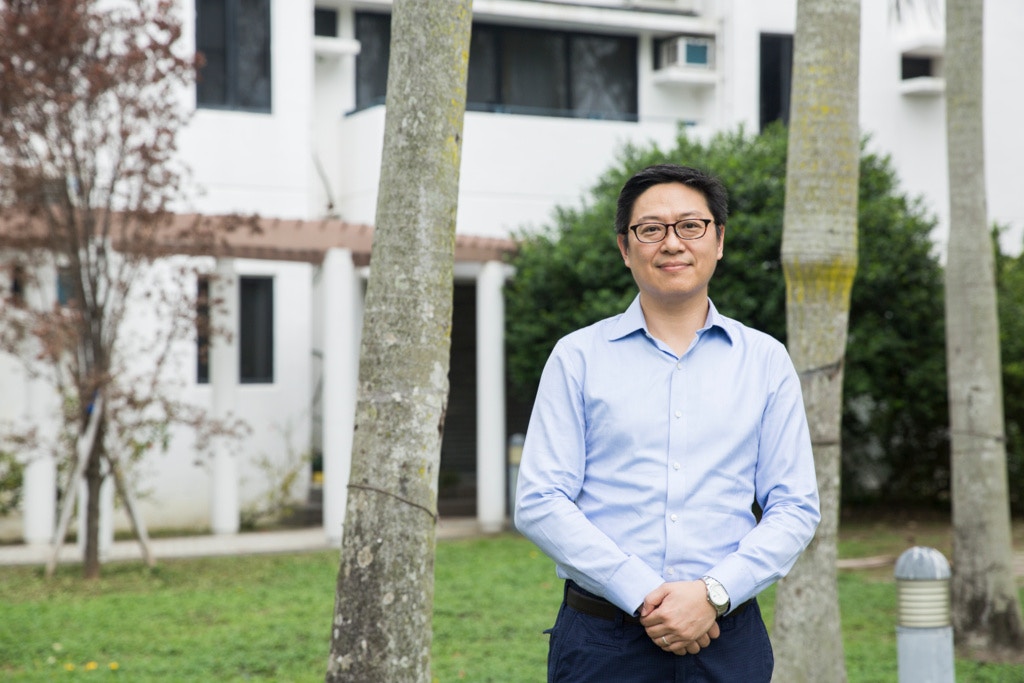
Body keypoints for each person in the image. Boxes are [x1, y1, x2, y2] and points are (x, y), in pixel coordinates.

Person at [514, 164, 820, 682]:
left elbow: (794, 506)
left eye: (691, 226)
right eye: (651, 229)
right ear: (624, 247)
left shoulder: (765, 360)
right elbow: (540, 500)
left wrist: (712, 594)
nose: (672, 243)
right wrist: (641, 592)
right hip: (602, 640)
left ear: (718, 241)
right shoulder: (577, 357)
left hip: (727, 636)